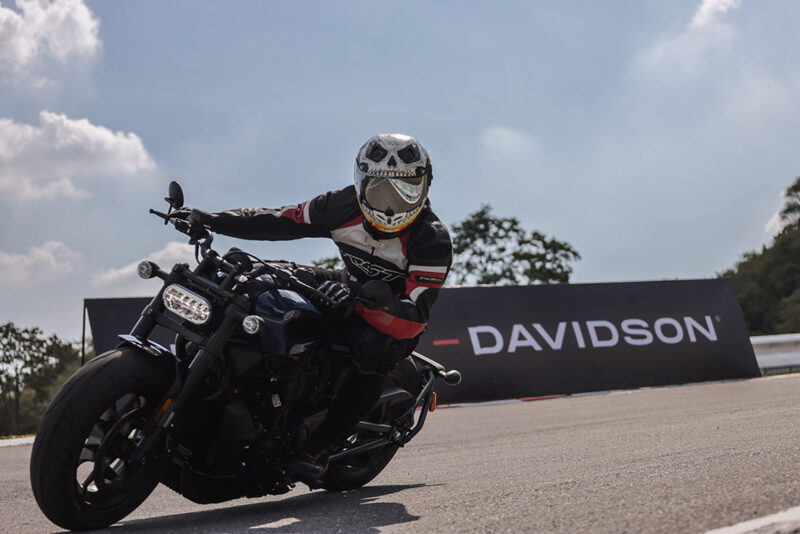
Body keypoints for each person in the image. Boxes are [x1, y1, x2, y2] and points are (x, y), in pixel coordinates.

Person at [204, 133, 452, 479]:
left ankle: (322, 445)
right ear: (361, 183)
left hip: (389, 316)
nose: (390, 204)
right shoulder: (340, 205)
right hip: (344, 285)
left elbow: (413, 318)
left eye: (404, 191)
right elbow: (280, 218)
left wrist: (362, 302)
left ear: (423, 187)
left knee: (374, 350)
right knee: (260, 274)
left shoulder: (432, 239)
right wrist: (212, 220)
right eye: (379, 190)